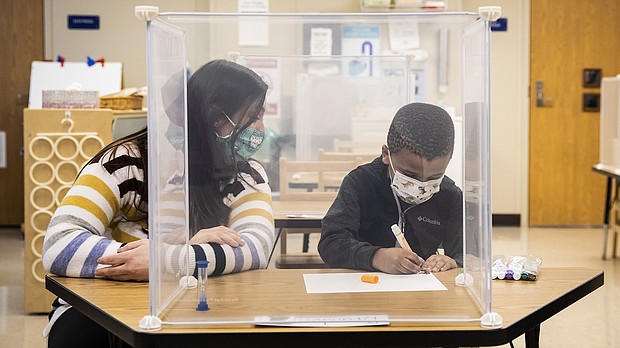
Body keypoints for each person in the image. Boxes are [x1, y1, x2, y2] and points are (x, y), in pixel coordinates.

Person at [41, 59, 275, 348]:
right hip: (103, 311)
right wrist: (171, 256)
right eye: (254, 117)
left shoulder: (245, 174)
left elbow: (255, 246)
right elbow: (59, 244)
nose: (262, 128)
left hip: (195, 309)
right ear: (217, 119)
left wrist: (166, 258)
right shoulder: (125, 162)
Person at [318, 102, 462, 274]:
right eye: (410, 176)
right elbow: (331, 243)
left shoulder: (450, 195)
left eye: (433, 178)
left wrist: (453, 262)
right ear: (386, 154)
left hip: (420, 292)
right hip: (362, 286)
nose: (421, 187)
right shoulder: (360, 183)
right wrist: (376, 257)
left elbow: (469, 254)